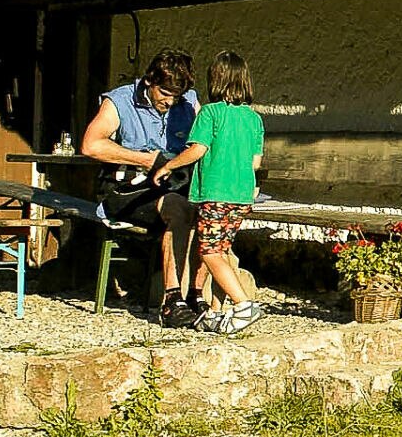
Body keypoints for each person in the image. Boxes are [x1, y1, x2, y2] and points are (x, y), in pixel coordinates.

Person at [80, 49, 201, 325]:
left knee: (209, 210)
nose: (170, 102)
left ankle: (200, 296)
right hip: (126, 186)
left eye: (176, 96)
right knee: (178, 209)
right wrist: (147, 160)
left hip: (174, 181)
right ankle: (172, 301)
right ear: (149, 81)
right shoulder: (120, 101)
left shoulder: (189, 102)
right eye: (165, 94)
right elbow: (91, 144)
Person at [156, 52, 265, 332]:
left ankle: (243, 305)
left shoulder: (210, 113)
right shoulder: (254, 119)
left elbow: (197, 150)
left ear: (215, 80)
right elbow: (256, 162)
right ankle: (216, 311)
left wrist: (168, 166)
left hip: (215, 194)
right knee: (222, 251)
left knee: (209, 253)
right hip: (242, 196)